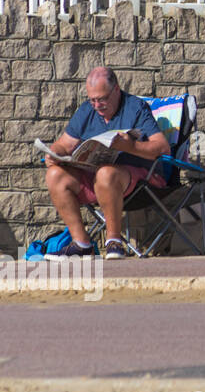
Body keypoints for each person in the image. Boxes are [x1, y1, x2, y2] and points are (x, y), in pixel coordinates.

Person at [41, 67, 171, 260]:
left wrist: (131, 146)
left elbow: (162, 148)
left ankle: (114, 241)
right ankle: (82, 244)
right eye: (93, 99)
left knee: (106, 173)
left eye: (102, 99)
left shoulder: (136, 107)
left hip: (139, 179)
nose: (97, 105)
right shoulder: (87, 110)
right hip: (97, 178)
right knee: (55, 175)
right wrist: (55, 153)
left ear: (116, 90)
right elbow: (65, 144)